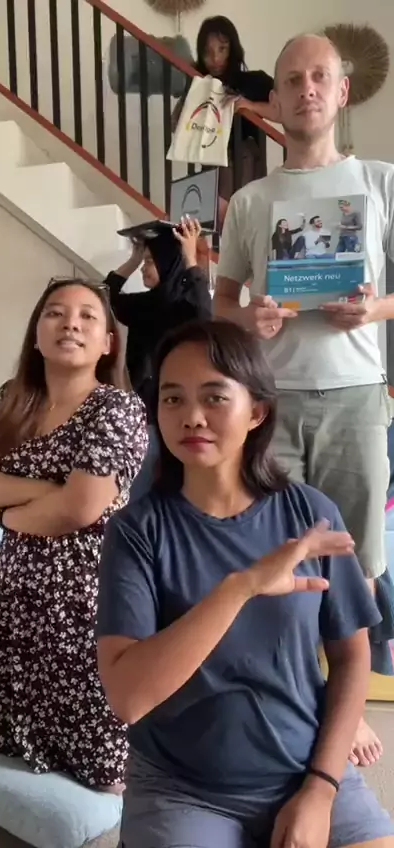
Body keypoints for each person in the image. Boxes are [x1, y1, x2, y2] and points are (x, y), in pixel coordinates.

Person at [96, 319, 394, 848]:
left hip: (304, 767)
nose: (191, 416)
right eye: (172, 398)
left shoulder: (311, 514)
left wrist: (321, 789)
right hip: (182, 786)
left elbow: (351, 657)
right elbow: (128, 697)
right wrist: (241, 587)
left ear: (256, 411)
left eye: (214, 397)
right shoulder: (137, 531)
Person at [214, 32, 394, 767]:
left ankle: (348, 708)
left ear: (342, 92)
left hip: (356, 397)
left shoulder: (380, 182)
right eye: (293, 79)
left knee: (357, 559)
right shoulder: (252, 200)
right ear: (277, 98)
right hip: (272, 401)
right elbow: (220, 301)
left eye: (320, 77)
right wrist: (248, 317)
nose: (307, 89)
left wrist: (375, 310)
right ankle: (287, 700)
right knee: (272, 557)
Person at [0, 278, 148, 790]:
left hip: (90, 593)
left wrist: (3, 511)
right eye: (55, 313)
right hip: (17, 591)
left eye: (87, 316)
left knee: (101, 762)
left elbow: (80, 508)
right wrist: (44, 490)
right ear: (36, 335)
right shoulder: (12, 400)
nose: (70, 324)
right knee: (18, 747)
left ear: (108, 343)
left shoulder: (116, 408)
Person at [172, 16, 278, 226]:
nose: (215, 58)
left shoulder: (253, 81)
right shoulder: (198, 84)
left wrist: (251, 106)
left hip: (245, 159)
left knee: (244, 220)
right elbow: (176, 125)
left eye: (222, 49)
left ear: (233, 49)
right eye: (208, 52)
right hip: (212, 161)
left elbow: (283, 109)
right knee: (217, 222)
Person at [105, 216, 211, 408]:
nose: (142, 269)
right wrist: (134, 260)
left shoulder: (186, 306)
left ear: (167, 262)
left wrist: (189, 257)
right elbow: (103, 298)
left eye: (149, 261)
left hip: (179, 403)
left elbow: (204, 312)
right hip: (143, 405)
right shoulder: (145, 305)